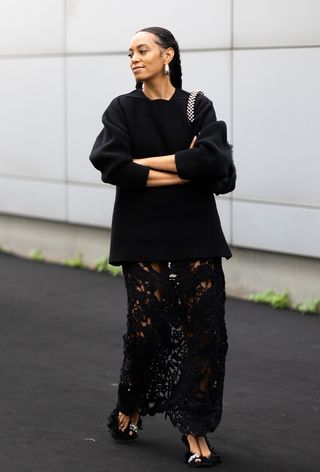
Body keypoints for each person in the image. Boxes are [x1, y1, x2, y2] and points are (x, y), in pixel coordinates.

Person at [89, 26, 234, 468]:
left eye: (143, 49)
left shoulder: (197, 106)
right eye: (130, 52)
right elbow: (110, 163)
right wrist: (182, 168)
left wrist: (144, 165)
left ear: (167, 54)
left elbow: (216, 165)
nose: (134, 57)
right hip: (142, 237)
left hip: (196, 233)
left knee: (206, 335)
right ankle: (129, 406)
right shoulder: (121, 109)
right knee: (145, 336)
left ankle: (196, 427)